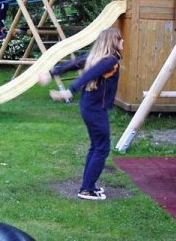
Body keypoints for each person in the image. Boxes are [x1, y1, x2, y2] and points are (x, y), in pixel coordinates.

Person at [44, 28, 124, 201]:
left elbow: (77, 63)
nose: (123, 42)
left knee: (96, 146)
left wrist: (53, 73)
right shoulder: (110, 60)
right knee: (102, 148)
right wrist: (70, 90)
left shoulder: (99, 58)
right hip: (95, 109)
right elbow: (89, 74)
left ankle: (90, 185)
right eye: (120, 39)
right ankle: (86, 190)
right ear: (113, 42)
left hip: (90, 107)